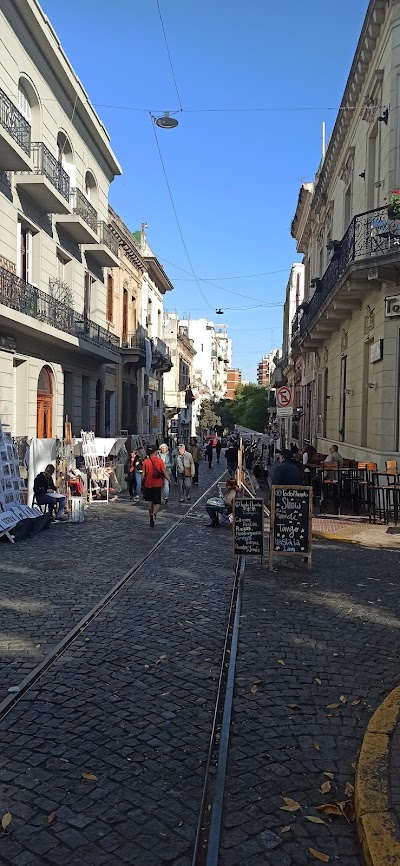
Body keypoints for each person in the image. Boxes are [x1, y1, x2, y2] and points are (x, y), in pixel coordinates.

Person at [141, 444, 170, 528]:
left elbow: (143, 474)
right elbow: (164, 471)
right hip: (157, 484)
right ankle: (154, 514)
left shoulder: (146, 461)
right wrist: (169, 479)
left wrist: (142, 482)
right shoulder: (159, 461)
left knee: (150, 501)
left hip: (148, 484)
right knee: (157, 502)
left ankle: (150, 515)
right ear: (155, 452)